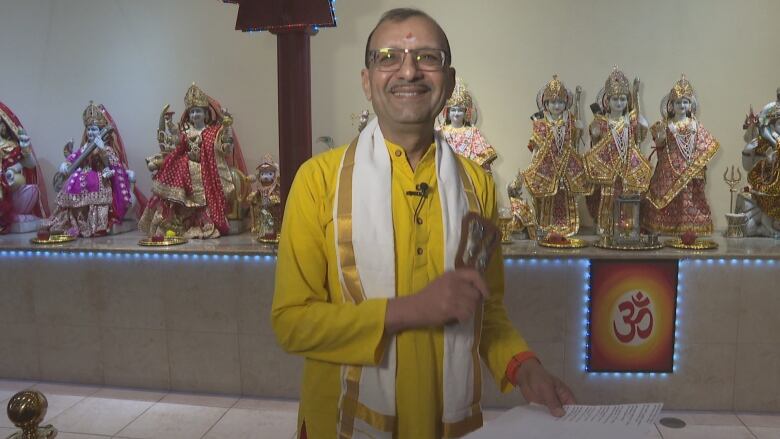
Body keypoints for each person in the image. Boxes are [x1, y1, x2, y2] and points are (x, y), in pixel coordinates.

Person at [271, 8, 574, 439]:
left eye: (427, 58)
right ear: (367, 80)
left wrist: (524, 368)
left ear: (448, 83)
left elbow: (484, 311)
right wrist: (412, 309)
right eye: (389, 56)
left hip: (446, 425)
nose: (408, 71)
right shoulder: (319, 181)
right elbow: (291, 323)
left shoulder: (478, 187)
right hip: (343, 422)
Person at [139, 83, 248, 239]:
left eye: (198, 111)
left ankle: (204, 223)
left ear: (205, 113)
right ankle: (180, 223)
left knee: (203, 202)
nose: (195, 115)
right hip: (186, 171)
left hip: (207, 172)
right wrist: (169, 124)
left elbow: (224, 149)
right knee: (182, 197)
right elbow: (178, 143)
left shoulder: (213, 131)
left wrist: (226, 129)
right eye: (192, 112)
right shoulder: (185, 130)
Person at [46, 102, 141, 237]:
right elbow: (74, 157)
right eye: (89, 129)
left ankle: (95, 223)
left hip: (100, 177)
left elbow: (114, 165)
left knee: (92, 183)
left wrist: (102, 151)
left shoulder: (106, 148)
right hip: (81, 175)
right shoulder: (85, 147)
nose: (91, 132)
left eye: (94, 129)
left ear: (101, 131)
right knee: (73, 182)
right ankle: (75, 222)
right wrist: (65, 165)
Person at [642, 75, 719, 235]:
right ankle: (665, 229)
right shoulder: (665, 125)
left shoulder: (695, 125)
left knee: (687, 197)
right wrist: (661, 138)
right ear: (671, 105)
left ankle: (687, 230)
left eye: (685, 102)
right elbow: (660, 146)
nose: (682, 105)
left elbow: (705, 145)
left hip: (690, 167)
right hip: (668, 169)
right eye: (678, 102)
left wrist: (698, 165)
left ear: (691, 105)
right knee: (665, 197)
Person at [584, 67, 652, 235]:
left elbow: (640, 136)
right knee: (607, 196)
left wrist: (636, 95)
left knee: (628, 198)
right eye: (615, 99)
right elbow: (595, 141)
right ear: (608, 101)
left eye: (622, 99)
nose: (619, 103)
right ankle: (605, 226)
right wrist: (594, 133)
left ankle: (627, 228)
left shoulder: (631, 121)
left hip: (628, 169)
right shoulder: (601, 121)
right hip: (607, 170)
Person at [521, 75, 590, 237]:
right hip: (547, 164)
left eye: (560, 102)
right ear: (545, 104)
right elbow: (536, 146)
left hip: (567, 163)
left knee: (566, 193)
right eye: (553, 102)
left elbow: (574, 142)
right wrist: (534, 163)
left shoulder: (571, 120)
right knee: (547, 195)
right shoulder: (540, 123)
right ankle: (546, 225)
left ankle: (568, 225)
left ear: (566, 103)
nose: (556, 106)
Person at [0, 101, 48, 233]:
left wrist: (25, 149)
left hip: (9, 185)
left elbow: (30, 164)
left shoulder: (11, 144)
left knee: (31, 190)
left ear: (4, 125)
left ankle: (8, 215)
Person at [439, 77, 498, 171]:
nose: (456, 114)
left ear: (466, 112)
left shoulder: (473, 133)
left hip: (468, 173)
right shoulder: (440, 132)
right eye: (453, 110)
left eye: (460, 110)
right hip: (444, 172)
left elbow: (484, 162)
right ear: (448, 112)